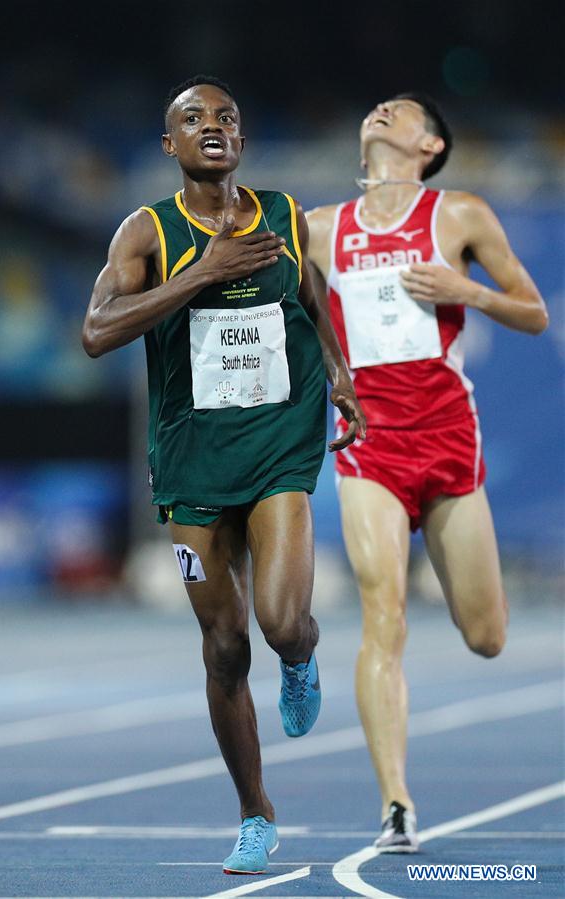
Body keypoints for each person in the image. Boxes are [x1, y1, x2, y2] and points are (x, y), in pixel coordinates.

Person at [82, 75, 365, 875]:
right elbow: (97, 333)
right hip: (191, 460)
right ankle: (254, 813)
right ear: (170, 145)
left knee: (279, 625)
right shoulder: (145, 232)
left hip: (278, 440)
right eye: (193, 119)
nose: (214, 126)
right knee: (225, 648)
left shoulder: (282, 215)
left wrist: (339, 371)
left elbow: (307, 295)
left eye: (227, 117)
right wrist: (202, 273)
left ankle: (303, 656)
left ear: (241, 140)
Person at [306, 92, 548, 853]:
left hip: (446, 438)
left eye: (399, 110)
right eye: (375, 106)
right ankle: (395, 803)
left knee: (485, 635)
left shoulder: (459, 215)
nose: (380, 110)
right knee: (383, 613)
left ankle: (399, 793)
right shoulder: (319, 228)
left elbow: (533, 310)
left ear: (431, 145)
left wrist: (464, 290)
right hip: (367, 442)